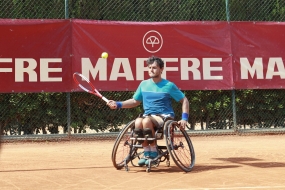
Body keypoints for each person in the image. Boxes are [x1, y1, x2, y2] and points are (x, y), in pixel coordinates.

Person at [107, 56, 189, 166]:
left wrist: (184, 118)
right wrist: (118, 104)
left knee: (145, 121)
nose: (151, 70)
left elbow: (184, 100)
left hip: (165, 117)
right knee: (137, 122)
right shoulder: (143, 84)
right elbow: (135, 101)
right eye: (149, 67)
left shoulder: (169, 85)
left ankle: (154, 152)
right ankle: (147, 152)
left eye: (154, 67)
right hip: (148, 116)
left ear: (161, 69)